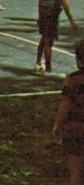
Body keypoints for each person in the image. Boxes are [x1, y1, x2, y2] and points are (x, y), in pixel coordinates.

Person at [35, 0, 78, 76]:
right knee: (49, 41)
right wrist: (72, 21)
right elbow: (64, 2)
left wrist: (39, 15)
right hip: (52, 13)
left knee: (44, 38)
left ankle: (38, 62)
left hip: (44, 11)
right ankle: (48, 69)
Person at [52, 40, 84, 184]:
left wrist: (58, 125)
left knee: (75, 171)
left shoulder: (72, 80)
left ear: (78, 59)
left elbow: (65, 104)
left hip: (75, 129)